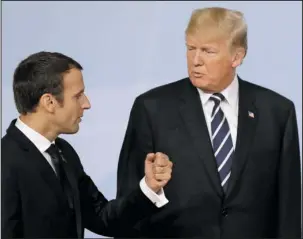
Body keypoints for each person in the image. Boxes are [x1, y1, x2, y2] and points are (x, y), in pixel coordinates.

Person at [116, 7, 301, 238]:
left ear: (237, 56)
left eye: (208, 51)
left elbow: (289, 209)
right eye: (190, 48)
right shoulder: (152, 108)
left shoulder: (277, 112)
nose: (195, 60)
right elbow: (129, 204)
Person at [1, 51, 173, 238]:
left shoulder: (63, 152)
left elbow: (102, 218)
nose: (87, 104)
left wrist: (149, 188)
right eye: (78, 95)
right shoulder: (5, 161)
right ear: (49, 102)